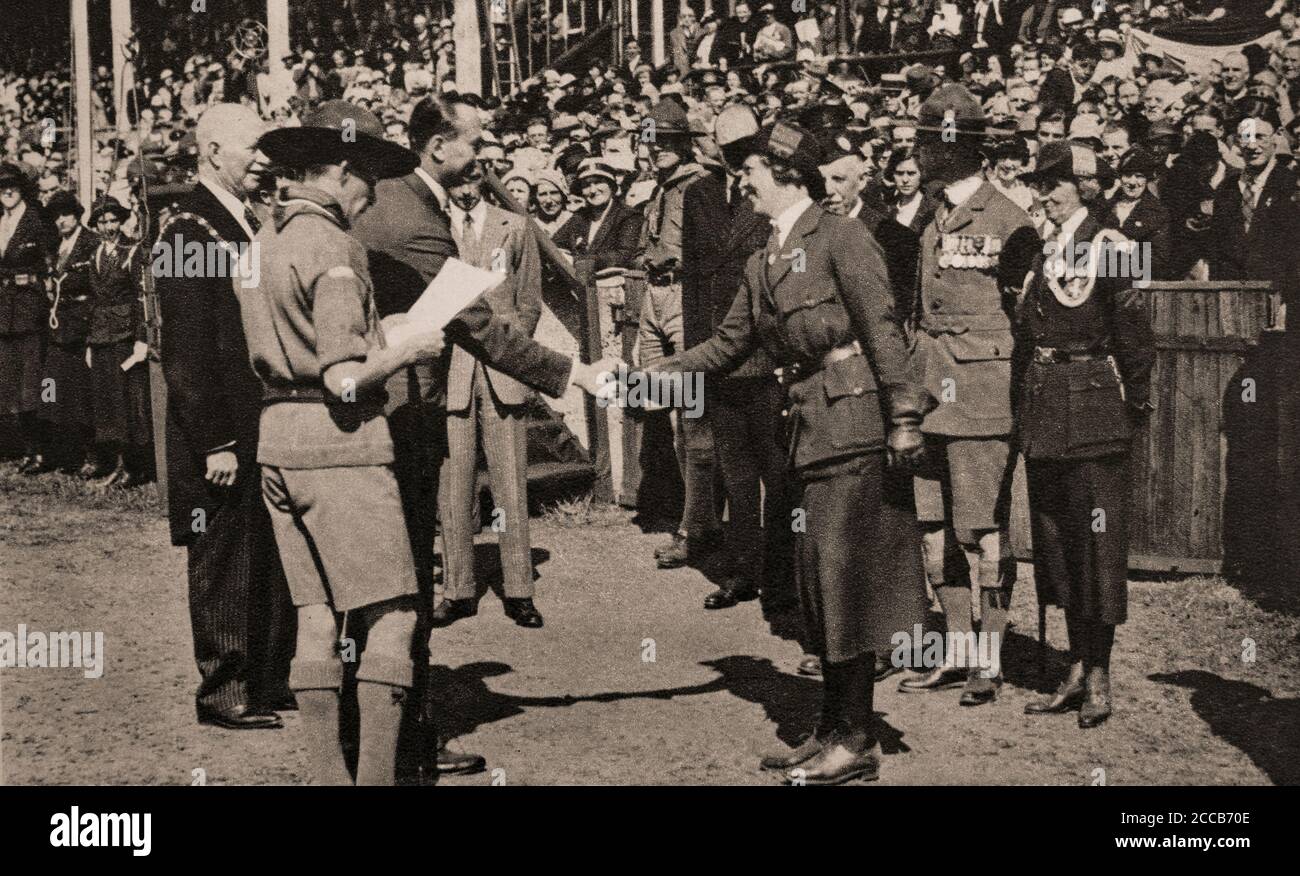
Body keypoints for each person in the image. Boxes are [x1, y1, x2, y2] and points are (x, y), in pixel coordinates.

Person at [651, 121, 933, 784]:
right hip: (807, 427)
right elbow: (727, 347)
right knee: (815, 582)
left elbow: (882, 326)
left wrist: (906, 418)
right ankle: (831, 727)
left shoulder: (842, 235)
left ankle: (856, 740)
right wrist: (655, 373)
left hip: (856, 423)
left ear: (782, 173)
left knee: (843, 579)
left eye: (747, 169)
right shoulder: (764, 257)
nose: (739, 182)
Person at [349, 93, 617, 779]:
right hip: (400, 414)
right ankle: (402, 739)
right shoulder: (413, 214)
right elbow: (480, 325)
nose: (485, 156)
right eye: (475, 143)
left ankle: (374, 732)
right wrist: (576, 375)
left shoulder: (403, 203)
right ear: (438, 146)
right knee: (401, 585)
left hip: (384, 408)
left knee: (381, 582)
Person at [240, 100, 443, 785]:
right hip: (341, 446)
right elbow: (343, 380)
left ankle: (328, 778)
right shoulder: (333, 246)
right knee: (392, 617)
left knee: (317, 616)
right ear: (343, 172)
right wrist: (406, 346)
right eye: (368, 181)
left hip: (277, 442)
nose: (370, 198)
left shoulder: (258, 241)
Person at [897, 84, 1038, 707]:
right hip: (929, 388)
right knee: (934, 529)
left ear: (953, 150)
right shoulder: (927, 213)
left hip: (982, 393)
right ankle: (955, 652)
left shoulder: (1010, 220)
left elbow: (1023, 315)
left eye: (928, 145)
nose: (921, 155)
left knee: (981, 531)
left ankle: (990, 660)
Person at [155, 102, 294, 730]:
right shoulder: (187, 228)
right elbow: (185, 350)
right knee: (223, 558)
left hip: (254, 423)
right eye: (253, 147)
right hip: (218, 433)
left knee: (261, 551)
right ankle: (223, 690)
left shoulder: (239, 220)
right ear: (213, 151)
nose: (264, 159)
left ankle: (265, 677)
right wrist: (214, 439)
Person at [1017, 142, 1155, 728]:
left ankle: (1099, 674)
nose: (1044, 193)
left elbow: (1135, 334)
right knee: (1059, 543)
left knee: (1098, 546)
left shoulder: (1115, 247)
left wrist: (1137, 403)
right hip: (1046, 408)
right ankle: (1073, 667)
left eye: (1056, 184)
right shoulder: (1043, 248)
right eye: (1040, 184)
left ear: (1085, 187)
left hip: (1096, 407)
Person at [679, 104, 794, 611]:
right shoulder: (698, 195)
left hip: (765, 356)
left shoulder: (770, 196)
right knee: (736, 475)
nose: (736, 159)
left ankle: (786, 577)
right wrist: (694, 351)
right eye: (727, 150)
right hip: (718, 354)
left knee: (779, 474)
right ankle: (742, 569)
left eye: (744, 150)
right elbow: (691, 280)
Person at [439, 162, 546, 628]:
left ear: (483, 180)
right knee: (454, 483)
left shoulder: (516, 227)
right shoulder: (435, 227)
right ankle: (458, 588)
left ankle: (519, 588)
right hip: (451, 372)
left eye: (471, 181)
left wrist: (513, 355)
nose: (464, 190)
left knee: (510, 483)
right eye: (455, 182)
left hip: (503, 371)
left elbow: (529, 302)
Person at [634, 98, 717, 571]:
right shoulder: (657, 189)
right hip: (653, 296)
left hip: (684, 295)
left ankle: (697, 526)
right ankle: (686, 514)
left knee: (693, 419)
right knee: (661, 415)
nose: (658, 149)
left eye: (667, 141)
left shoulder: (698, 186)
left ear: (684, 144)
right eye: (653, 141)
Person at [85, 196, 151, 487]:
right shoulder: (94, 254)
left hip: (125, 334)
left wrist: (141, 339)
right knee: (107, 400)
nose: (109, 227)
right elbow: (94, 300)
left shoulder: (132, 251)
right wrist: (90, 341)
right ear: (96, 225)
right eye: (103, 222)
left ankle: (132, 466)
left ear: (120, 221)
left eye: (113, 221)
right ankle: (116, 462)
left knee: (127, 400)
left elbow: (140, 298)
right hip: (101, 335)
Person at [39, 191, 97, 473]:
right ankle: (63, 452)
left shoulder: (90, 243)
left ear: (77, 214)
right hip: (58, 326)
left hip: (81, 327)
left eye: (66, 214)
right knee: (52, 392)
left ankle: (92, 456)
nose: (62, 221)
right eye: (57, 216)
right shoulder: (54, 246)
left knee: (82, 395)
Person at [0, 161, 51, 473]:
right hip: (3, 313)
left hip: (29, 311)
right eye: (2, 187)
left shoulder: (35, 220)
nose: (7, 191)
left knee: (32, 384)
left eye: (13, 187)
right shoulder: (0, 221)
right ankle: (22, 448)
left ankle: (40, 451)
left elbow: (47, 266)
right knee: (8, 383)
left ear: (22, 190)